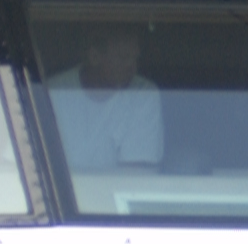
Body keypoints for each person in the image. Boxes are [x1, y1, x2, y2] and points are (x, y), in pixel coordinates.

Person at [48, 23, 166, 175]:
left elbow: (138, 176)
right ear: (95, 57)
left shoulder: (142, 94)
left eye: (135, 59)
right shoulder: (53, 92)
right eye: (123, 58)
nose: (132, 67)